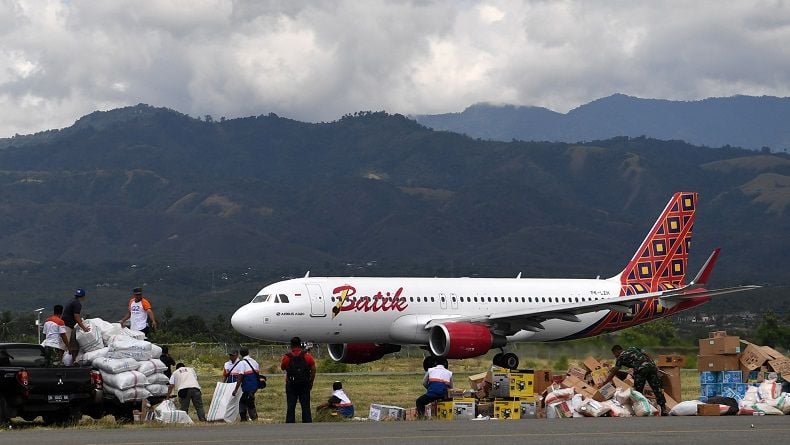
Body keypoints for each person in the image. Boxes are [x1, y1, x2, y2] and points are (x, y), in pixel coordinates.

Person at [601, 344, 669, 416]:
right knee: (656, 388)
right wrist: (653, 364)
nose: (615, 356)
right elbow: (646, 353)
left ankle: (641, 409)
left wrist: (606, 381)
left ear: (617, 351)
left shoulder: (620, 357)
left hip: (640, 369)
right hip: (651, 367)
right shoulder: (632, 348)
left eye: (614, 354)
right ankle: (663, 408)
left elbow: (614, 371)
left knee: (638, 391)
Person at [280, 336, 316, 423]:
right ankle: (307, 423)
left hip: (291, 385)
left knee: (291, 406)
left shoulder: (287, 357)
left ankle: (290, 423)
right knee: (306, 406)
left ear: (291, 345)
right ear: (300, 345)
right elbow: (314, 369)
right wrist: (311, 381)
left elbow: (282, 367)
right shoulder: (307, 356)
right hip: (304, 384)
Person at [61, 288, 90, 361]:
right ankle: (58, 361)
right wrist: (84, 328)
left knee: (73, 345)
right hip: (67, 326)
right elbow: (76, 317)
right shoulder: (77, 304)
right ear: (83, 297)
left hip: (70, 326)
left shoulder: (72, 301)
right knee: (63, 345)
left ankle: (73, 361)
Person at [236, 346, 260, 421]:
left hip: (247, 386)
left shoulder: (242, 363)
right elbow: (257, 373)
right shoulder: (254, 362)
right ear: (248, 352)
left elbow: (240, 377)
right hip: (255, 386)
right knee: (249, 400)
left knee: (242, 402)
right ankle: (253, 417)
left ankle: (245, 418)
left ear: (240, 354)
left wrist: (236, 389)